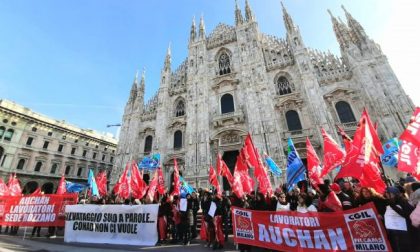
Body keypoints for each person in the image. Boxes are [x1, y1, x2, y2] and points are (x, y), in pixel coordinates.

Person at [384, 186, 415, 252]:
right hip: (395, 231)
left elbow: (407, 215)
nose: (386, 194)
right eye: (386, 193)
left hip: (405, 230)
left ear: (394, 193)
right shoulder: (388, 202)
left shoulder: (403, 201)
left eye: (388, 192)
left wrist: (393, 207)